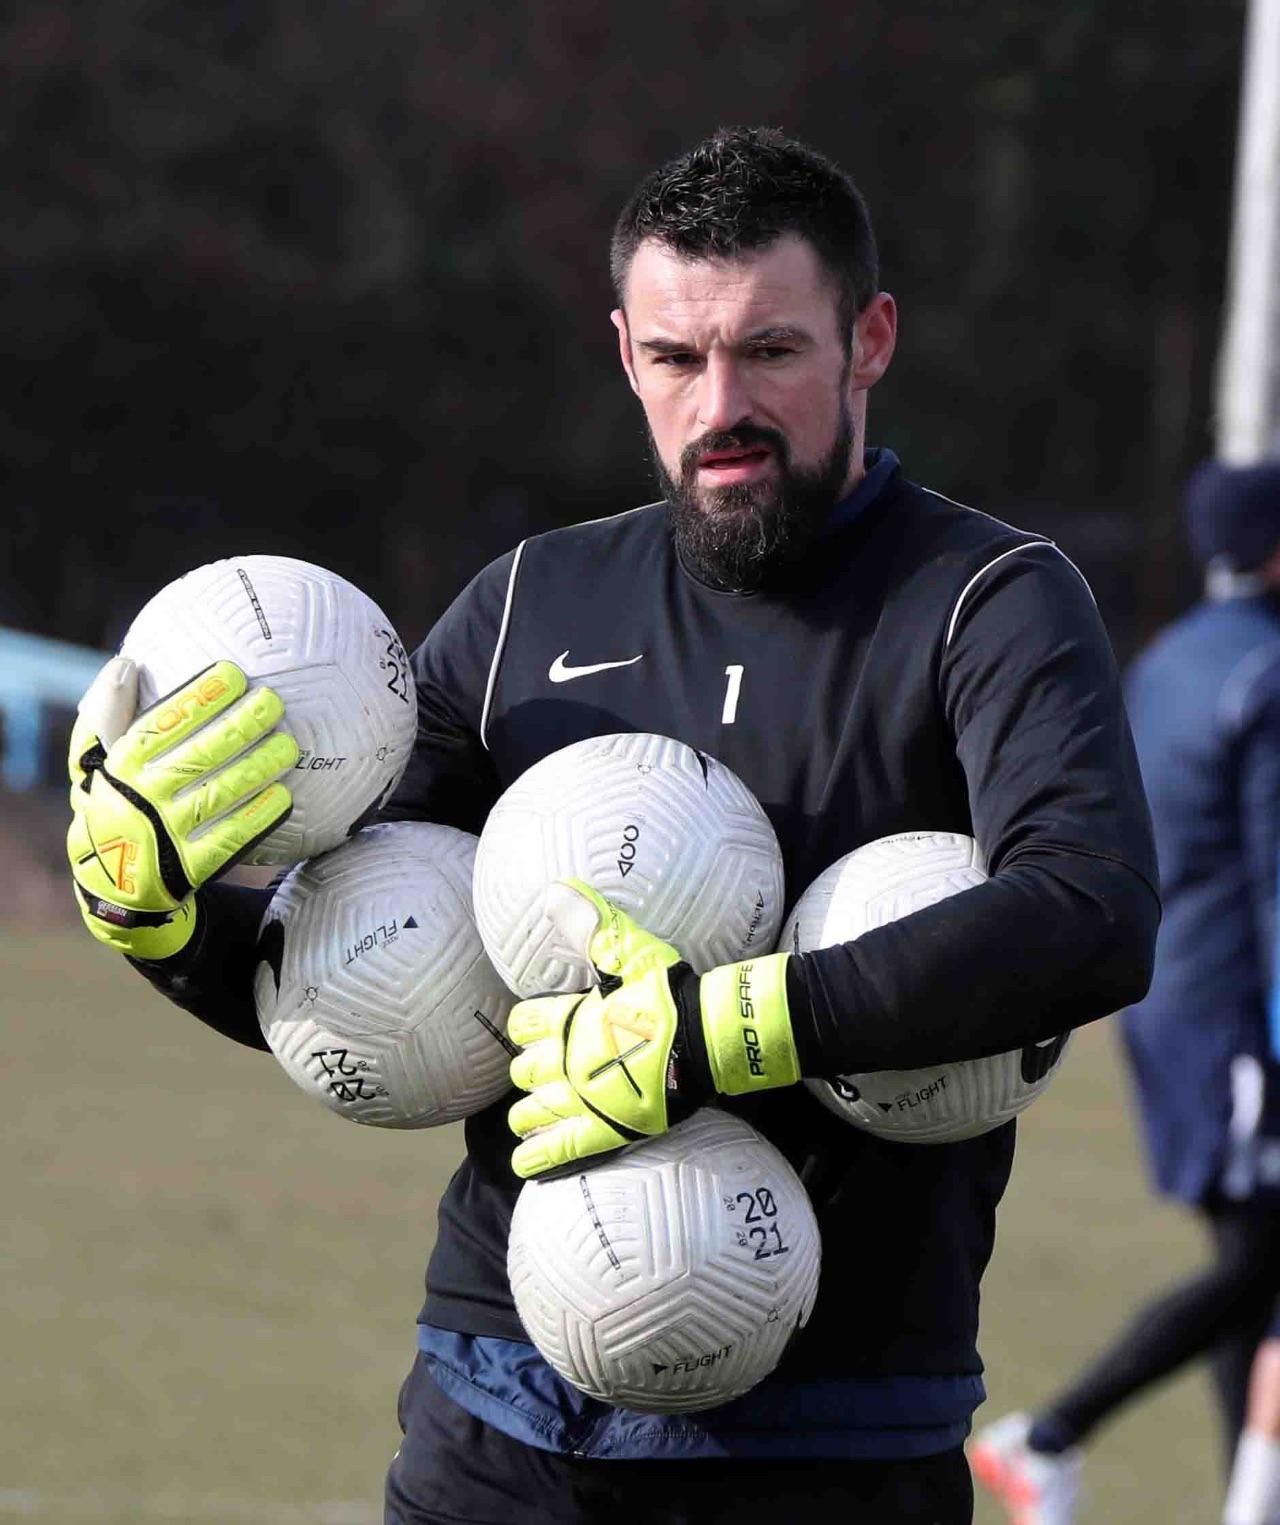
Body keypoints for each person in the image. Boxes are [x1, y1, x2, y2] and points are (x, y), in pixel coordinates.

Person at [65, 127, 1158, 1525]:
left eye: (770, 350)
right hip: (499, 1410)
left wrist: (719, 1033)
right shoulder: (529, 603)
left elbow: (1089, 910)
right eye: (676, 356)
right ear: (625, 354)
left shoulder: (986, 601)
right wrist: (162, 920)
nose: (721, 404)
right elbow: (357, 977)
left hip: (841, 1426)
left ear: (869, 340)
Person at [972, 460, 1280, 1525]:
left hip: (1166, 1007)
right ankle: (1046, 1435)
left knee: (1254, 1265)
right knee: (1257, 1267)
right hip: (1239, 1021)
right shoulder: (1266, 674)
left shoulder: (1171, 659)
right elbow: (1276, 879)